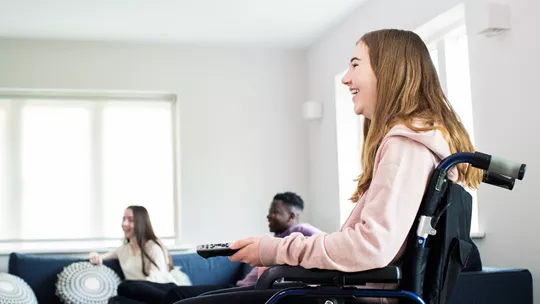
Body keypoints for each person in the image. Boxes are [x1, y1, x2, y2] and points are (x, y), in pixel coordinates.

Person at [173, 28, 483, 304]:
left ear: (388, 71)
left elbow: (369, 247)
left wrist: (274, 250)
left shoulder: (406, 146)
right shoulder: (415, 145)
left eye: (355, 64)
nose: (346, 77)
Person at [160, 192, 321, 304]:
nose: (268, 215)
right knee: (177, 294)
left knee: (177, 294)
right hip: (241, 287)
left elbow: (322, 242)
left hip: (256, 290)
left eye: (274, 212)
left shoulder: (302, 231)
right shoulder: (277, 237)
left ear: (292, 216)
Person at [88, 205, 189, 304]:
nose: (124, 224)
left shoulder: (153, 246)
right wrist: (94, 255)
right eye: (124, 219)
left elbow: (156, 279)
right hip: (138, 295)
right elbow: (100, 256)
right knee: (115, 300)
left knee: (125, 287)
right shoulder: (123, 250)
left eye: (130, 220)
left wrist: (133, 287)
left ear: (141, 223)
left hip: (162, 290)